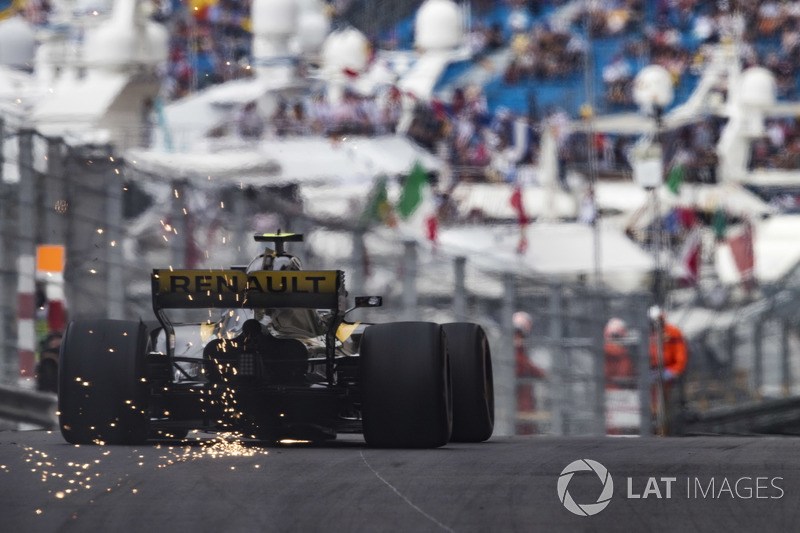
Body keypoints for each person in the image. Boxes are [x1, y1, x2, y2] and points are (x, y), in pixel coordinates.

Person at [648, 306, 688, 434]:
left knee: (667, 407)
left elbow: (680, 356)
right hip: (652, 375)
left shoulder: (673, 332)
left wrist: (674, 371)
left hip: (669, 377)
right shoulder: (648, 334)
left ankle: (665, 430)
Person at [513, 311, 546, 435]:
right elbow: (521, 363)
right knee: (524, 416)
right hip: (520, 385)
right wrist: (540, 373)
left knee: (525, 417)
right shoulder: (517, 340)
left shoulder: (517, 341)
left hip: (521, 385)